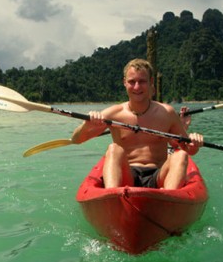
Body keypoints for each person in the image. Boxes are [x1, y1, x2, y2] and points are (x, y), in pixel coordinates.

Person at [71, 58, 203, 190]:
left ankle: (168, 198)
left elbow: (188, 149)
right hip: (127, 174)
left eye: (142, 81)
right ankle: (113, 197)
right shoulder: (113, 114)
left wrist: (195, 142)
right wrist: (87, 125)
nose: (137, 87)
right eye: (132, 82)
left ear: (151, 82)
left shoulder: (167, 113)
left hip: (158, 175)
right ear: (124, 82)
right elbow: (76, 140)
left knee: (180, 155)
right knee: (113, 149)